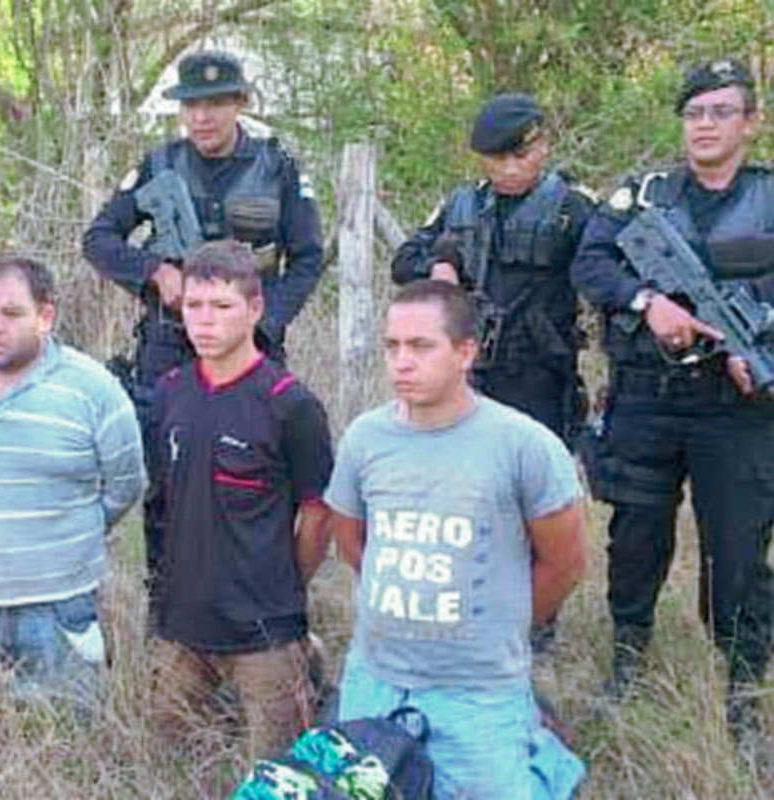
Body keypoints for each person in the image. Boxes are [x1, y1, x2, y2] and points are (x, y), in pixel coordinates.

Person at [571, 58, 774, 747]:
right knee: (634, 538)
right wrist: (646, 301)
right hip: (647, 400)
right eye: (695, 113)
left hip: (739, 412)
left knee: (739, 553)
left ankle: (743, 687)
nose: (706, 125)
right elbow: (591, 261)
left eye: (722, 112)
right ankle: (628, 661)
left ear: (752, 121)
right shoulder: (643, 196)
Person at [326, 280, 589, 800]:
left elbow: (565, 562)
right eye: (392, 346)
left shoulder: (524, 446)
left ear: (466, 352)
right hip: (375, 675)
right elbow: (353, 543)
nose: (402, 362)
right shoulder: (365, 438)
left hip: (478, 688)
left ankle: (545, 761)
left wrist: (495, 625)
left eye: (422, 346)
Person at [82, 50, 324, 588]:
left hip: (252, 353)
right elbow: (98, 239)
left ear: (240, 103)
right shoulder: (158, 165)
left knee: (255, 484)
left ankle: (258, 610)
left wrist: (263, 323)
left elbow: (307, 257)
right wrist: (154, 273)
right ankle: (167, 611)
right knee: (167, 488)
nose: (202, 117)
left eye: (216, 104)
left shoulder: (278, 165)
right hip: (169, 351)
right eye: (191, 105)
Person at [0, 256, 145, 723]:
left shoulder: (94, 388)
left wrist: (70, 534)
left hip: (62, 604)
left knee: (67, 740)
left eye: (11, 314)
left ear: (46, 315)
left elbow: (126, 482)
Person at [145, 240, 333, 759]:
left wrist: (283, 585)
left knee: (275, 772)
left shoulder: (290, 405)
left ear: (254, 309)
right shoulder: (170, 392)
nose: (204, 321)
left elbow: (319, 513)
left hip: (264, 632)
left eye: (222, 306)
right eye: (193, 306)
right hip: (182, 625)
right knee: (171, 758)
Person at [391, 93, 596, 448]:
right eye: (497, 159)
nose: (510, 169)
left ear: (543, 146)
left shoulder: (572, 206)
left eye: (521, 156)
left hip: (539, 376)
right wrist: (440, 265)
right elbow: (404, 260)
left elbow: (605, 271)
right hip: (465, 369)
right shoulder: (462, 203)